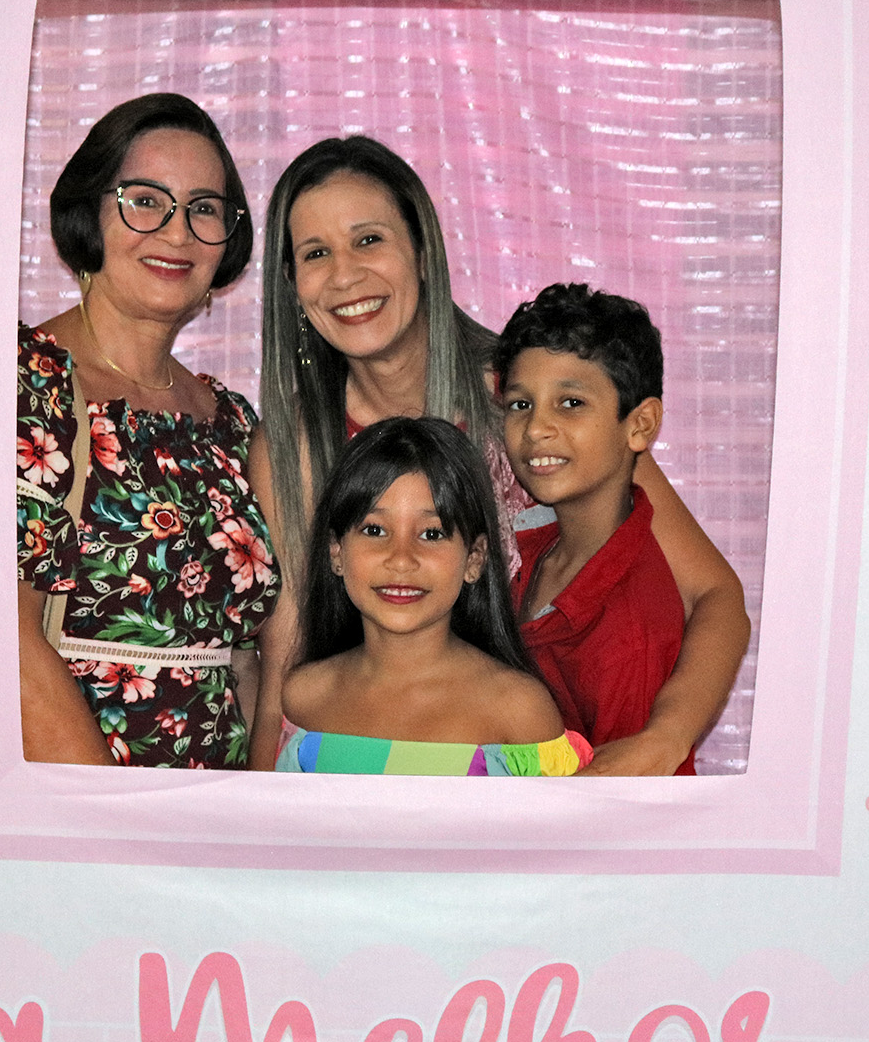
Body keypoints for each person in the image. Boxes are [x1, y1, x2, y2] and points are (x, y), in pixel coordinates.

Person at [248, 133, 748, 775]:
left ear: (422, 252)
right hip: (380, 785)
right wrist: (258, 821)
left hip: (570, 769)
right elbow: (285, 659)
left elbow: (714, 595)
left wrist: (665, 737)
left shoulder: (532, 400)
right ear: (291, 284)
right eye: (316, 253)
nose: (345, 275)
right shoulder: (292, 444)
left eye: (368, 239)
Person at [17, 93, 278, 769]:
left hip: (221, 812)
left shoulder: (233, 422)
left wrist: (261, 806)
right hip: (75, 806)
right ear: (89, 214)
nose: (177, 232)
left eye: (203, 208)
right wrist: (114, 820)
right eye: (145, 200)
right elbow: (1, 640)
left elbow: (248, 658)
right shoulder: (22, 381)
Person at [496, 284, 746, 775]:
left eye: (570, 402)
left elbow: (619, 794)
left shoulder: (629, 634)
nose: (537, 428)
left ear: (640, 425)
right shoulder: (531, 548)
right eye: (520, 405)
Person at [277, 417, 591, 776]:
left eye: (431, 534)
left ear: (474, 559)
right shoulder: (304, 699)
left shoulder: (520, 710)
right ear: (336, 552)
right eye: (375, 530)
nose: (401, 559)